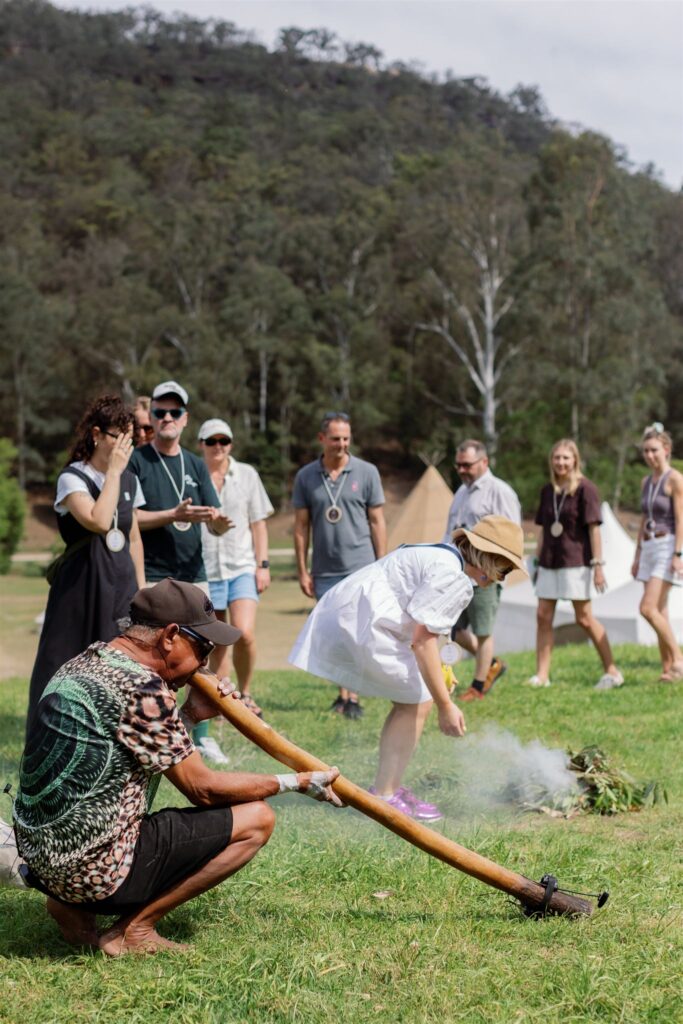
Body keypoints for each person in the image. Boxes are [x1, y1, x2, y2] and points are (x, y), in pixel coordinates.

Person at [13, 579, 341, 956]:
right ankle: (132, 931)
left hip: (41, 860)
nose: (205, 663)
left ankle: (68, 904)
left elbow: (134, 750)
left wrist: (188, 714)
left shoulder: (84, 663)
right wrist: (295, 782)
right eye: (203, 648)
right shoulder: (143, 688)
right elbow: (203, 788)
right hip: (93, 871)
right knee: (257, 820)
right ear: (169, 636)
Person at [290, 516, 525, 820]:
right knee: (419, 699)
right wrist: (446, 705)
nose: (502, 578)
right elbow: (422, 642)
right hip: (363, 624)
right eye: (504, 570)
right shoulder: (453, 578)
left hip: (354, 615)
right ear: (490, 559)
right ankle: (385, 794)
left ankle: (388, 788)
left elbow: (425, 627)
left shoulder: (445, 557)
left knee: (416, 696)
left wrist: (441, 670)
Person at [26, 395, 145, 736]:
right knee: (64, 667)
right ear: (96, 434)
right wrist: (114, 474)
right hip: (79, 589)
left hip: (119, 585)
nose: (126, 445)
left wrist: (141, 589)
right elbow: (98, 519)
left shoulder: (130, 481)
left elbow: (133, 537)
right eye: (118, 436)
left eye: (130, 438)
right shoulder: (72, 477)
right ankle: (51, 740)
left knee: (117, 668)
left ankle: (110, 742)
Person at [129, 380, 233, 763]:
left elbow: (216, 520)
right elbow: (131, 519)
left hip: (193, 572)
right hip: (155, 573)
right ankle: (149, 732)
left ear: (185, 419)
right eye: (160, 412)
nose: (167, 418)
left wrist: (220, 521)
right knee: (153, 659)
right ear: (152, 417)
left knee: (199, 657)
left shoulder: (194, 463)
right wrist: (173, 515)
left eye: (174, 412)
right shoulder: (138, 461)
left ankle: (200, 734)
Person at [292, 412, 387, 719]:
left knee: (357, 633)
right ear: (322, 439)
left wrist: (381, 563)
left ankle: (354, 697)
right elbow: (300, 527)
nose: (342, 444)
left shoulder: (367, 472)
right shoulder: (306, 476)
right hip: (325, 569)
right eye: (335, 438)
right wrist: (303, 570)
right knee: (334, 634)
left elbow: (377, 521)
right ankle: (342, 694)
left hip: (360, 565)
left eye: (346, 438)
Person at [528, 439, 623, 690]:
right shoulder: (547, 491)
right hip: (548, 561)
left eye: (565, 458)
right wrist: (536, 561)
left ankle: (612, 670)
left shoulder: (586, 489)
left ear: (575, 460)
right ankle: (542, 675)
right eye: (557, 457)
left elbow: (594, 531)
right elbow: (543, 531)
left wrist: (598, 566)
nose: (561, 462)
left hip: (576, 562)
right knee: (542, 616)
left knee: (584, 618)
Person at [199, 417, 274, 715]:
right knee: (217, 639)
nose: (218, 447)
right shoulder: (194, 474)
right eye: (211, 442)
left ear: (230, 444)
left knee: (244, 632)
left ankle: (246, 693)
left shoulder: (247, 474)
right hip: (207, 569)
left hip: (241, 565)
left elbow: (259, 524)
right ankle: (223, 699)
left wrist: (263, 565)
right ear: (201, 445)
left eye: (224, 441)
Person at [442, 439, 521, 701]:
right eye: (459, 465)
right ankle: (492, 664)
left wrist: (495, 573)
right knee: (452, 629)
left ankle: (478, 686)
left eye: (467, 465)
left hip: (485, 577)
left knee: (483, 631)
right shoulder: (461, 493)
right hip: (458, 575)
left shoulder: (500, 491)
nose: (462, 470)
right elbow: (450, 533)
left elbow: (512, 534)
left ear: (484, 462)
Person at [632, 423, 683, 681]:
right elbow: (644, 518)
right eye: (645, 452)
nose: (649, 456)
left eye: (653, 450)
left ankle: (679, 659)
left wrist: (679, 554)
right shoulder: (645, 481)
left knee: (647, 608)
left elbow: (681, 518)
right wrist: (637, 554)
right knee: (660, 610)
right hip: (649, 546)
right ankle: (668, 669)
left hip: (668, 544)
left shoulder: (675, 479)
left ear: (666, 449)